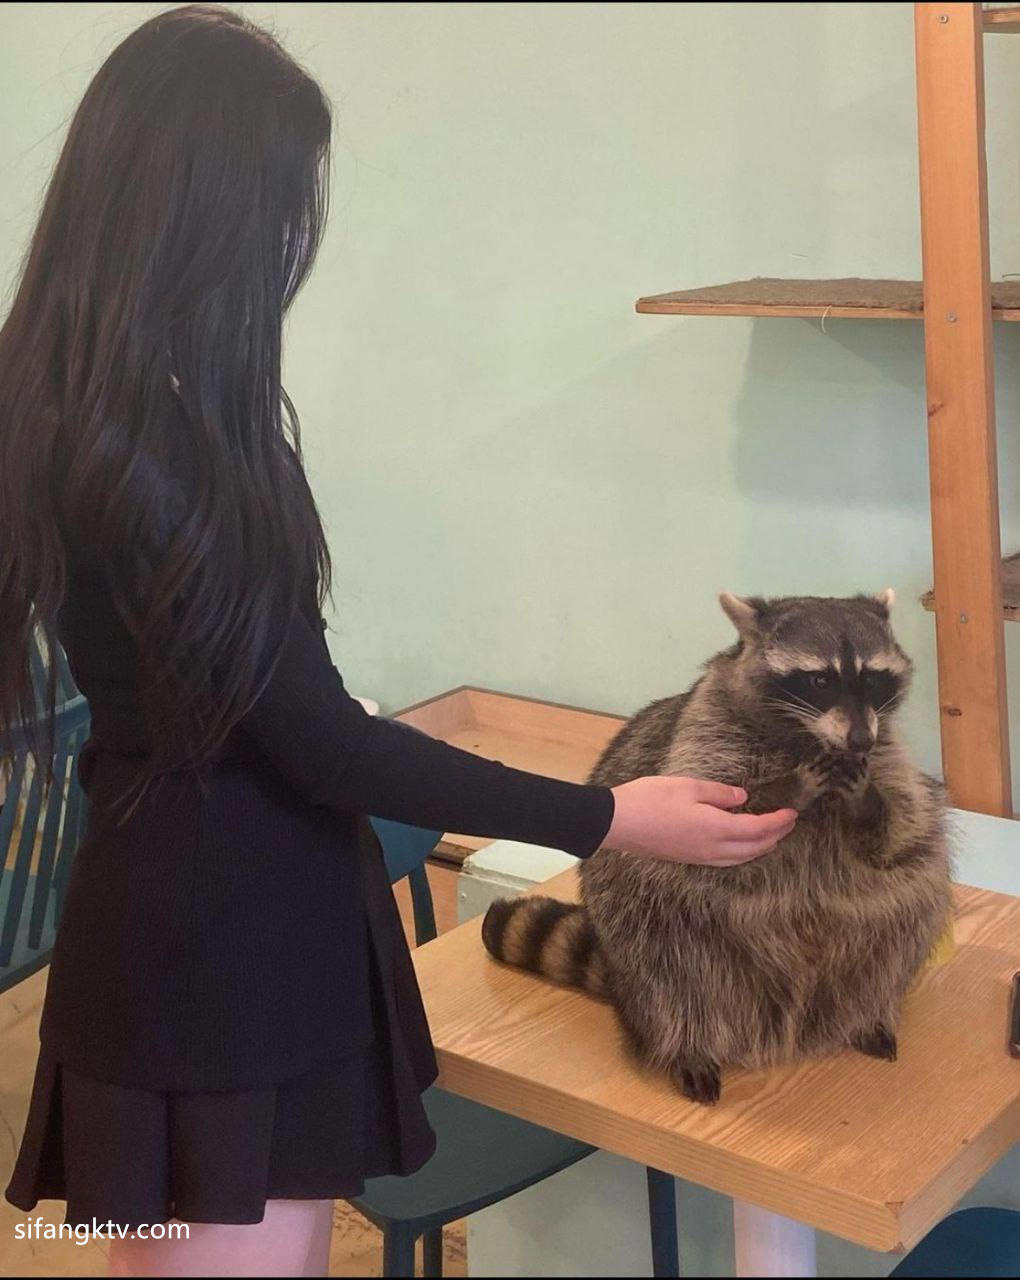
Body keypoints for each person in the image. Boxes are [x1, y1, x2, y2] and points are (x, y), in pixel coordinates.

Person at [0, 6, 797, 1276]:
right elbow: (327, 746)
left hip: (229, 934)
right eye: (281, 206)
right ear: (198, 212)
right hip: (214, 981)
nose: (293, 242)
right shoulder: (148, 450)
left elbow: (264, 708)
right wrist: (611, 816)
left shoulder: (114, 410)